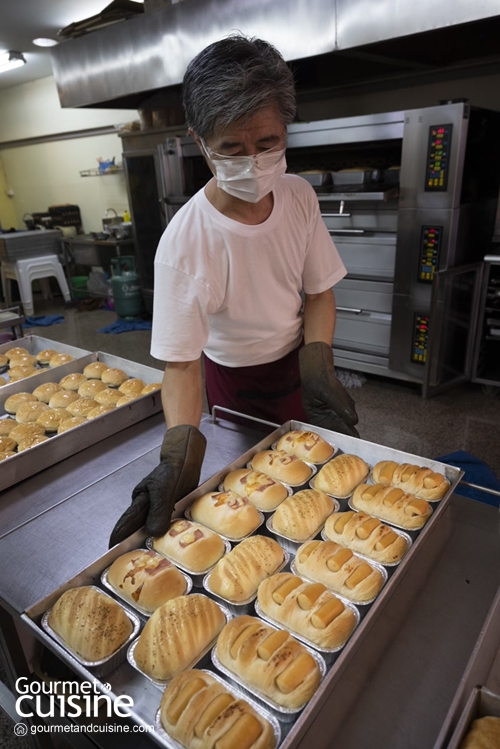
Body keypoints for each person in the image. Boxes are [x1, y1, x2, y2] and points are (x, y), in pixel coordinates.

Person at [109, 34, 358, 547]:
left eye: (267, 144)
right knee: (250, 511)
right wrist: (178, 454)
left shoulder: (298, 197)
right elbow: (181, 363)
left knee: (319, 500)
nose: (254, 162)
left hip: (299, 368)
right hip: (232, 387)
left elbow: (317, 293)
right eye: (233, 149)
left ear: (285, 129)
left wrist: (318, 363)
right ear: (200, 142)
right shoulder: (187, 243)